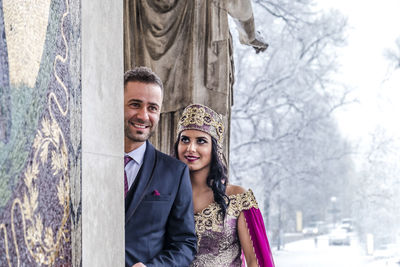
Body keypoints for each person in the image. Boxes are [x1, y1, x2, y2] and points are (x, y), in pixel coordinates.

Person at [174, 104, 275, 267]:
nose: (191, 148)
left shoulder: (237, 197)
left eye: (201, 141)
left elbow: (255, 260)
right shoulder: (167, 194)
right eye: (185, 139)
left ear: (215, 148)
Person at [124, 67, 197, 267]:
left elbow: (185, 243)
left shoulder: (175, 172)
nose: (143, 116)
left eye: (152, 108)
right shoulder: (86, 163)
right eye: (135, 104)